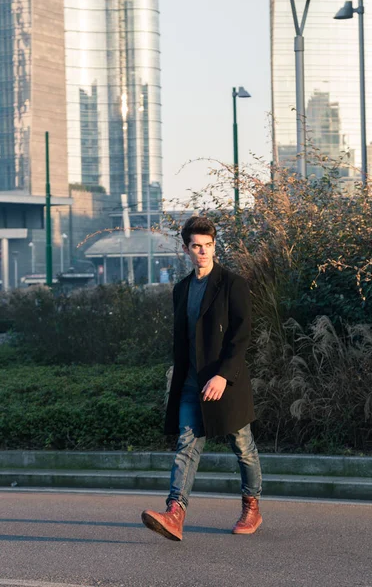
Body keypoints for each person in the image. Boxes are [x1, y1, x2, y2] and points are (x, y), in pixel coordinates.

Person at [141, 216, 262, 541]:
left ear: (214, 246)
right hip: (192, 383)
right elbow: (182, 341)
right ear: (186, 249)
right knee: (187, 445)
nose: (204, 252)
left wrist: (223, 375)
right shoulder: (181, 289)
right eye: (197, 246)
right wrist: (177, 379)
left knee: (242, 446)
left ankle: (252, 506)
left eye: (209, 246)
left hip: (226, 381)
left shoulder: (232, 284)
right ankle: (175, 513)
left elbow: (241, 335)